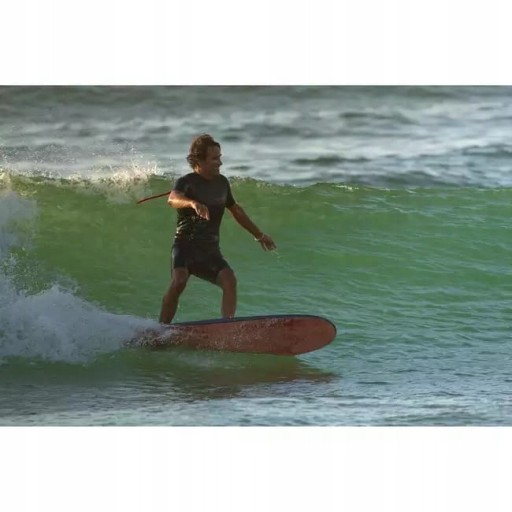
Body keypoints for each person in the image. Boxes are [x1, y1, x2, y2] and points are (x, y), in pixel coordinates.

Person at [159, 134, 276, 324]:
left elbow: (235, 210)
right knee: (179, 281)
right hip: (185, 245)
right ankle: (162, 328)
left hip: (209, 249)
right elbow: (172, 199)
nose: (220, 162)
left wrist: (259, 235)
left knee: (229, 280)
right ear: (199, 160)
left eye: (220, 157)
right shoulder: (186, 182)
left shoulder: (222, 183)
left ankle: (226, 327)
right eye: (215, 158)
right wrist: (193, 203)